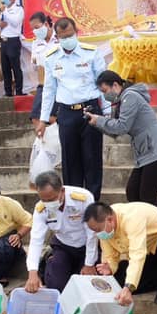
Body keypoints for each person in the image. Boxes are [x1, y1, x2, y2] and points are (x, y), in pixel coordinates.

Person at [36, 17, 106, 199]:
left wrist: (107, 112)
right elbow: (49, 90)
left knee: (92, 159)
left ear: (76, 33)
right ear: (56, 36)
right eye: (63, 36)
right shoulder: (51, 57)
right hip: (66, 113)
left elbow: (103, 85)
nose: (67, 39)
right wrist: (43, 120)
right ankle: (75, 201)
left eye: (70, 35)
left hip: (90, 109)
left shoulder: (91, 53)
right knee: (70, 160)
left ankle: (92, 202)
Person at [85, 70, 157, 210]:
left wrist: (99, 120)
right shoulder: (121, 101)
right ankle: (147, 225)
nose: (104, 95)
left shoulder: (130, 97)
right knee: (133, 192)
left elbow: (121, 126)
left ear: (115, 85)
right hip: (146, 152)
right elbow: (115, 131)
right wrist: (96, 122)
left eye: (105, 90)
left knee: (147, 197)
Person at [84, 201, 157, 305]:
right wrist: (110, 268)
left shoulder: (132, 217)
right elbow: (110, 256)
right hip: (149, 255)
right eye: (94, 231)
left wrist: (128, 287)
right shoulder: (105, 230)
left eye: (98, 230)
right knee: (116, 282)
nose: (97, 234)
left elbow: (137, 254)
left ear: (110, 220)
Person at [25, 170, 98, 293]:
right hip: (63, 246)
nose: (48, 203)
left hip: (86, 245)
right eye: (44, 200)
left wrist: (89, 263)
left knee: (87, 286)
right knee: (56, 284)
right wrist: (32, 272)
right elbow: (36, 240)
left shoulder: (83, 198)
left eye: (52, 199)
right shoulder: (41, 209)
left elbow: (92, 233)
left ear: (62, 191)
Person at [0, 0, 25, 96]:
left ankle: (19, 91)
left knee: (15, 67)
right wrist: (1, 22)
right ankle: (8, 92)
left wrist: (5, 14)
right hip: (3, 41)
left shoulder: (18, 9)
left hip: (13, 41)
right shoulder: (4, 10)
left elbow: (15, 22)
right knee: (5, 68)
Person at [28, 12, 56, 123]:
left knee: (53, 117)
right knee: (35, 117)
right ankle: (41, 140)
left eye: (37, 27)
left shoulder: (59, 38)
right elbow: (34, 62)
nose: (35, 31)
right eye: (33, 29)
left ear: (46, 24)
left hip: (58, 83)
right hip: (43, 84)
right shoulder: (36, 42)